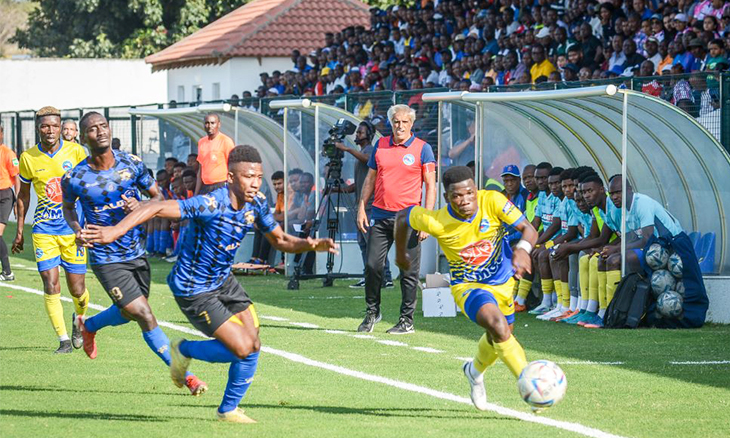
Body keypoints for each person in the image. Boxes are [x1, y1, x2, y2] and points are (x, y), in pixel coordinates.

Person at [83, 145, 337, 423]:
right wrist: (113, 232)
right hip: (194, 288)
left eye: (258, 176)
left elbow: (281, 240)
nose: (254, 183)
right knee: (241, 348)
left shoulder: (258, 202)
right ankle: (184, 350)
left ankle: (228, 410)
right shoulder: (210, 203)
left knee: (253, 344)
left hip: (223, 281)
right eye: (248, 176)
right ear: (230, 177)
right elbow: (155, 206)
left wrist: (310, 244)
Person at [61, 112, 207, 395]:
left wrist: (139, 206)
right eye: (92, 129)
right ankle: (186, 376)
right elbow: (68, 208)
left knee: (130, 313)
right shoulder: (75, 176)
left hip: (136, 251)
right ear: (83, 137)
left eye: (103, 126)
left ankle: (87, 324)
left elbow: (158, 198)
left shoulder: (132, 163)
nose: (100, 131)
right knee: (143, 313)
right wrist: (77, 229)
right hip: (105, 256)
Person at [394, 166, 537, 411]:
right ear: (446, 197)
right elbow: (401, 217)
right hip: (468, 287)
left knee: (500, 336)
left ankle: (474, 371)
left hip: (504, 283)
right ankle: (531, 386)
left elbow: (529, 229)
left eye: (470, 193)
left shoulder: (492, 200)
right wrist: (400, 253)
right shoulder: (435, 220)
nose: (465, 200)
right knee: (499, 327)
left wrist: (523, 250)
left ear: (476, 189)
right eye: (457, 196)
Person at [12, 106, 90, 354]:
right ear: (38, 128)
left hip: (73, 229)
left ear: (61, 128)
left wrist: (89, 225)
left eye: (55, 126)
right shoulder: (28, 157)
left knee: (77, 290)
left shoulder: (77, 152)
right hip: (43, 229)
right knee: (50, 283)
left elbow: (88, 189)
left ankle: (79, 323)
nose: (50, 130)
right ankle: (64, 340)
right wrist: (20, 231)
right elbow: (23, 196)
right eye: (45, 126)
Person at [356, 104, 436, 334]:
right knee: (372, 266)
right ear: (391, 123)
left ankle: (406, 321)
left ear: (411, 124)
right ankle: (372, 312)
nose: (400, 126)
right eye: (396, 122)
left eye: (404, 122)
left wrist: (427, 219)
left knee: (408, 272)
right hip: (380, 216)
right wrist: (362, 207)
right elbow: (370, 179)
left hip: (409, 219)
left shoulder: (423, 149)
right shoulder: (380, 145)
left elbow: (430, 185)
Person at [335, 121, 393, 288]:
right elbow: (359, 183)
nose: (357, 135)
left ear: (369, 135)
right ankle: (370, 275)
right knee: (364, 243)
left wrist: (347, 149)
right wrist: (340, 189)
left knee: (374, 243)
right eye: (357, 132)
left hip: (371, 206)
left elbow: (367, 160)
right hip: (361, 206)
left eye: (360, 132)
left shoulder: (371, 151)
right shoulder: (361, 152)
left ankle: (385, 277)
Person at [195, 113, 235, 195]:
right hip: (205, 186)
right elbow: (201, 169)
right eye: (207, 123)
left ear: (219, 124)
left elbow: (233, 166)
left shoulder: (226, 141)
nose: (209, 126)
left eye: (212, 123)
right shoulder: (201, 142)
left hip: (221, 186)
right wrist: (196, 194)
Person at [0, 125, 19, 281]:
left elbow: (17, 177)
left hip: (5, 195)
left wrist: (17, 201)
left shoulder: (8, 153)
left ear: (1, 134)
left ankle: (7, 272)